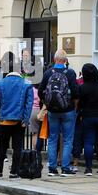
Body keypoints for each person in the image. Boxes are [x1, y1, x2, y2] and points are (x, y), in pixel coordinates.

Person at [39, 49, 79, 177]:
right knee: (67, 140)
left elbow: (40, 91)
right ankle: (66, 168)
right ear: (66, 60)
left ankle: (52, 168)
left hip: (52, 111)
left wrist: (47, 103)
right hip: (68, 110)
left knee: (52, 139)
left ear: (54, 60)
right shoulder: (70, 73)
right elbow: (76, 92)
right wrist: (73, 105)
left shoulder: (48, 73)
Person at [0, 59, 34, 179]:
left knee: (2, 146)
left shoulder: (0, 84)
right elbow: (28, 104)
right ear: (19, 70)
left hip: (5, 120)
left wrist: (3, 109)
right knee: (17, 147)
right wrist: (25, 120)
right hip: (19, 121)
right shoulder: (26, 84)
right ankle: (14, 172)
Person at [78, 63, 98, 176]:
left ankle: (88, 168)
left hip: (89, 116)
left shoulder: (83, 87)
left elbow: (80, 104)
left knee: (89, 142)